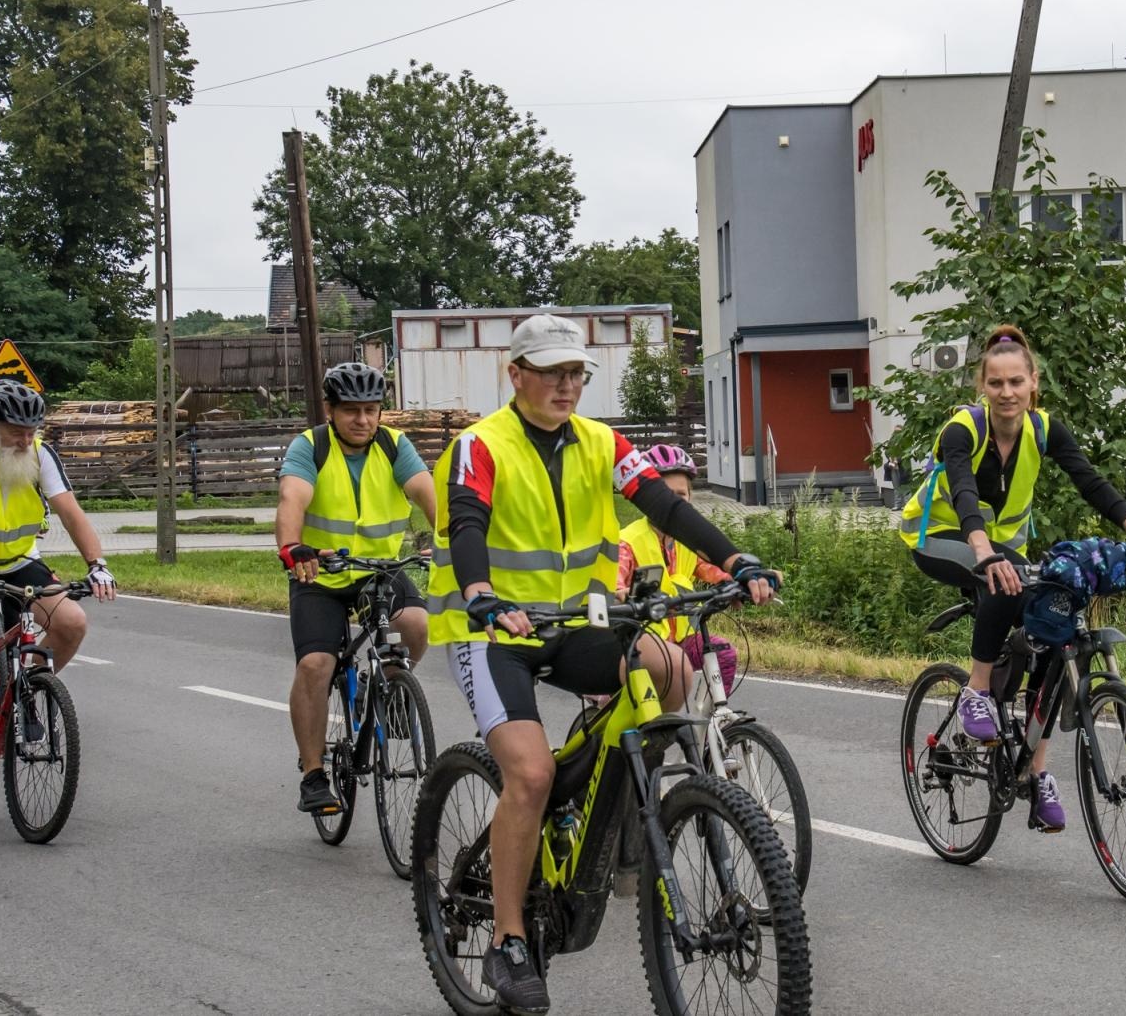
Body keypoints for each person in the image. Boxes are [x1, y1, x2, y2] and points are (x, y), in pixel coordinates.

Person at [427, 312, 778, 1015]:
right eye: (551, 372)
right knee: (530, 775)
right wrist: (482, 594)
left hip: (576, 624)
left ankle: (613, 816)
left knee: (673, 672)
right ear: (516, 375)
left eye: (576, 373)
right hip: (494, 632)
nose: (566, 385)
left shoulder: (601, 442)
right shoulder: (479, 445)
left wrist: (735, 558)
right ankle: (509, 940)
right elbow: (466, 522)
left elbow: (665, 507)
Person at [899, 325, 1126, 831]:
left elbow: (1091, 482)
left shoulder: (1044, 430)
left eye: (1016, 382)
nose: (1007, 392)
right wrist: (983, 551)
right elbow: (962, 490)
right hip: (938, 538)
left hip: (1002, 552)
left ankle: (1035, 771)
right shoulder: (963, 429)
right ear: (982, 386)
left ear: (1033, 383)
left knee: (1054, 622)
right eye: (996, 383)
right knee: (1007, 577)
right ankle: (977, 690)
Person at [276, 361, 436, 815]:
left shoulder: (394, 445)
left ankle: (384, 685)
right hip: (318, 573)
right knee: (315, 664)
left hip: (378, 570)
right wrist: (292, 546)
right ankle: (313, 774)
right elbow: (292, 498)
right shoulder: (311, 447)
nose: (363, 419)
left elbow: (429, 495)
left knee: (416, 625)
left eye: (371, 409)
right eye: (351, 410)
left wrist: (452, 540)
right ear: (330, 410)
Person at [0, 381, 117, 694]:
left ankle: (20, 693)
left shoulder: (39, 454)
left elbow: (71, 513)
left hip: (20, 563)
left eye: (31, 431)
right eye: (16, 431)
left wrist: (97, 564)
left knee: (71, 623)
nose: (26, 440)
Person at [614, 444, 740, 695]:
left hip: (681, 640)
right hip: (641, 645)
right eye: (665, 494)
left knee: (723, 654)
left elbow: (711, 569)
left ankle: (715, 717)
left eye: (680, 494)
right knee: (630, 701)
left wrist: (739, 582)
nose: (672, 502)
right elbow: (614, 578)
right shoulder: (628, 541)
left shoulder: (689, 542)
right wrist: (619, 592)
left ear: (690, 497)